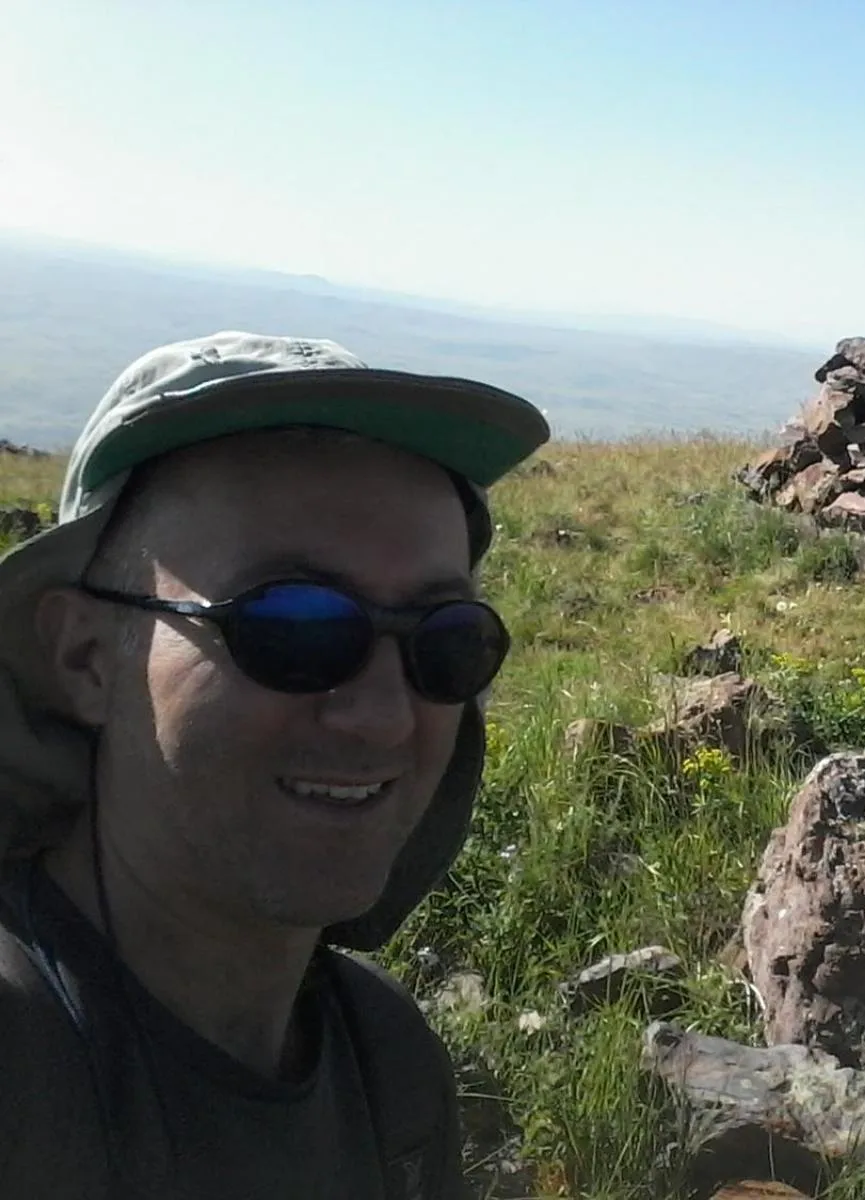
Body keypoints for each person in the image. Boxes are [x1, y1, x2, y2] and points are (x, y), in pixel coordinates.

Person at [0, 331, 549, 1198]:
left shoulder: (392, 1068)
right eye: (291, 625)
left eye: (447, 642)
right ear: (85, 658)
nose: (380, 716)